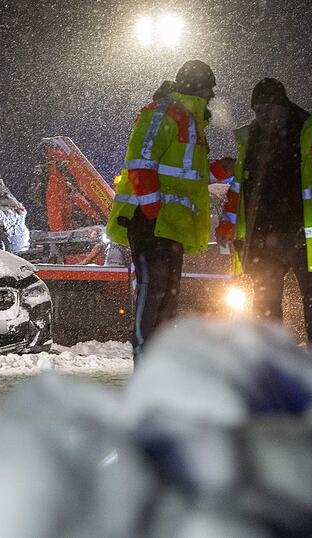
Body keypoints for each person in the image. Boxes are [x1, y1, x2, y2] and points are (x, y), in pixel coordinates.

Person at [215, 78, 312, 343]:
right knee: (265, 312)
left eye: (267, 108)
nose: (261, 116)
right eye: (257, 110)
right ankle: (272, 369)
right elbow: (239, 187)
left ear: (283, 105)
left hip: (305, 238)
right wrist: (227, 224)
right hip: (261, 239)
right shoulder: (249, 138)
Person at [106, 60, 220, 361]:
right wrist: (154, 210)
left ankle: (160, 370)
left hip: (170, 226)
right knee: (153, 296)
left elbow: (188, 174)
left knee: (167, 302)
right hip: (151, 222)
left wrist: (221, 170)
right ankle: (145, 368)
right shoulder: (164, 112)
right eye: (209, 89)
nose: (212, 96)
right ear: (199, 88)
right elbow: (140, 162)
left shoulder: (191, 122)